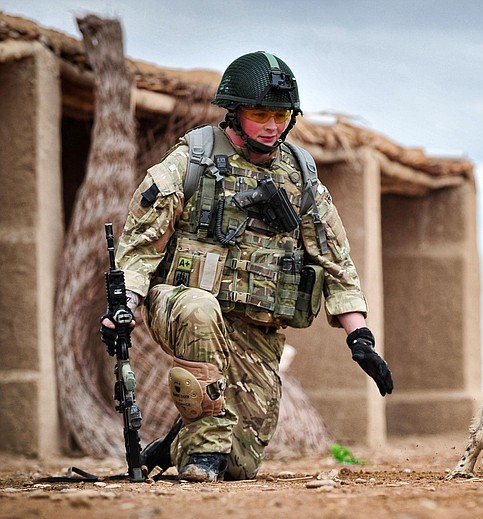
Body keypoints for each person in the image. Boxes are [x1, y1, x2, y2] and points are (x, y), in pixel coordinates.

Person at [100, 51, 393, 482]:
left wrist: (359, 336)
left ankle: (174, 445)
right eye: (260, 114)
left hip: (255, 328)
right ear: (235, 113)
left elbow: (335, 259)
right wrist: (123, 305)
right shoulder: (190, 164)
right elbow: (139, 249)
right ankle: (201, 451)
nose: (272, 125)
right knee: (200, 311)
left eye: (280, 114)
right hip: (182, 306)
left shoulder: (299, 176)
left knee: (241, 464)